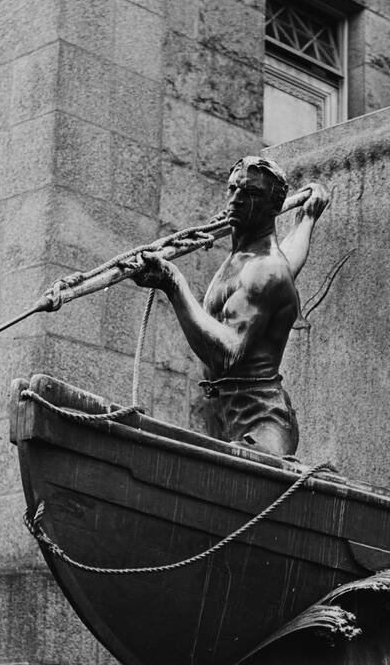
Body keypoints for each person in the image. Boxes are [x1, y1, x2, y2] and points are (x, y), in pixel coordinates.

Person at [132, 156, 327, 457]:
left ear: (274, 207)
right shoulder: (247, 261)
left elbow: (227, 355)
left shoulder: (266, 269)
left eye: (251, 194)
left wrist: (173, 283)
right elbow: (288, 262)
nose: (236, 199)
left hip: (260, 428)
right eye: (233, 188)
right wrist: (307, 219)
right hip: (224, 421)